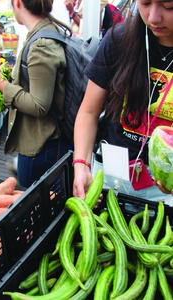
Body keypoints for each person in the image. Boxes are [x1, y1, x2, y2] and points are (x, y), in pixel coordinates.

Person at [73, 0, 173, 204]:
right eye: (145, 3)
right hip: (112, 173)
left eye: (168, 6)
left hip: (164, 189)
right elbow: (89, 111)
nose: (153, 17)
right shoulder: (119, 40)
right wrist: (81, 165)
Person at [0, 0, 72, 188]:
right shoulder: (45, 31)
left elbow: (38, 105)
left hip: (40, 146)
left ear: (17, 2)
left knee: (34, 201)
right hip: (42, 143)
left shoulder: (41, 44)